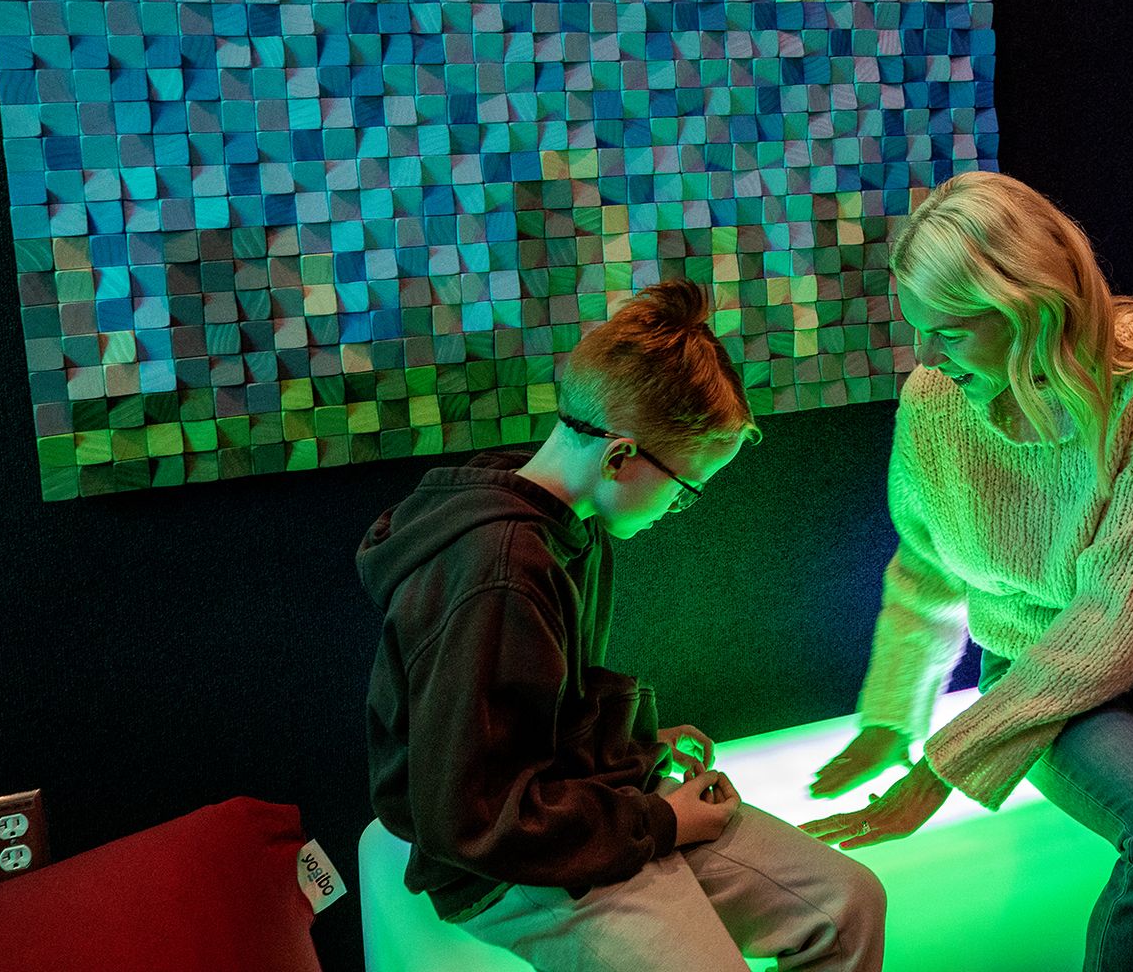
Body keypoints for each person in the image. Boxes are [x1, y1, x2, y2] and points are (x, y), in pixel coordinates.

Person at [799, 172, 1133, 972]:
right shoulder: (933, 403)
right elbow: (925, 571)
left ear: (1030, 305)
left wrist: (947, 763)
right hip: (1036, 674)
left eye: (950, 330)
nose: (927, 356)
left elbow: (1129, 611)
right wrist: (893, 717)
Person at [364, 280, 886, 972]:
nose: (678, 510)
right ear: (619, 457)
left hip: (589, 811)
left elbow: (531, 721)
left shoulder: (570, 530)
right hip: (508, 866)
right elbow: (476, 816)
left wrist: (637, 744)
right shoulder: (497, 573)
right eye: (683, 490)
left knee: (848, 903)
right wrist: (665, 822)